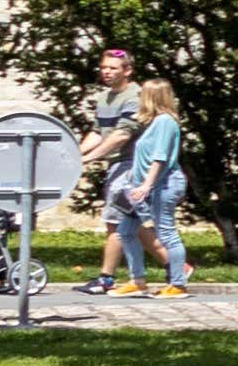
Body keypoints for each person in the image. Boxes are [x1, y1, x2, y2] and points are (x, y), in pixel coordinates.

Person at [98, 82, 192, 298]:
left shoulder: (165, 122)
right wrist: (132, 183)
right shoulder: (152, 122)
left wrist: (146, 186)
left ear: (152, 97)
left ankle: (178, 284)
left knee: (167, 233)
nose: (139, 98)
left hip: (162, 185)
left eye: (143, 95)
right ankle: (137, 281)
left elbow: (159, 158)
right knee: (125, 232)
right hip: (140, 187)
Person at [71, 52, 148, 292]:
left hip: (130, 165)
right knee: (134, 224)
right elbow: (99, 131)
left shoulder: (135, 96)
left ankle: (106, 279)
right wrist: (76, 154)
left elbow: (122, 135)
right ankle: (177, 267)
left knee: (115, 222)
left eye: (113, 68)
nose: (107, 72)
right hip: (116, 165)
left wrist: (90, 158)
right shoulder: (104, 97)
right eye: (104, 67)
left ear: (127, 71)